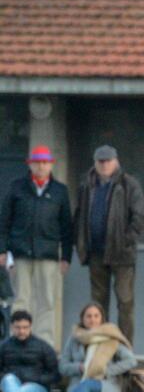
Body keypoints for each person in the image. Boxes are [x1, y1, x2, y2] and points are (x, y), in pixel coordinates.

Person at [74, 145, 144, 347]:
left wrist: (125, 241)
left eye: (108, 161)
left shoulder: (129, 184)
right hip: (96, 252)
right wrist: (80, 243)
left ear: (116, 162)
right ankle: (99, 345)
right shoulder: (86, 185)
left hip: (122, 254)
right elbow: (79, 216)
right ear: (95, 163)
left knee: (125, 301)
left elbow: (140, 217)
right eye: (101, 161)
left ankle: (125, 347)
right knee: (97, 305)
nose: (104, 165)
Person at [1, 146, 73, 347]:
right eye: (37, 162)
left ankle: (44, 345)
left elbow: (66, 227)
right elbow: (4, 221)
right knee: (21, 299)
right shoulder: (16, 187)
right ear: (30, 165)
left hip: (48, 255)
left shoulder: (60, 191)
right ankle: (17, 342)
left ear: (51, 165)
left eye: (45, 162)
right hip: (20, 254)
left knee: (47, 301)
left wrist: (66, 256)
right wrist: (2, 250)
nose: (41, 166)